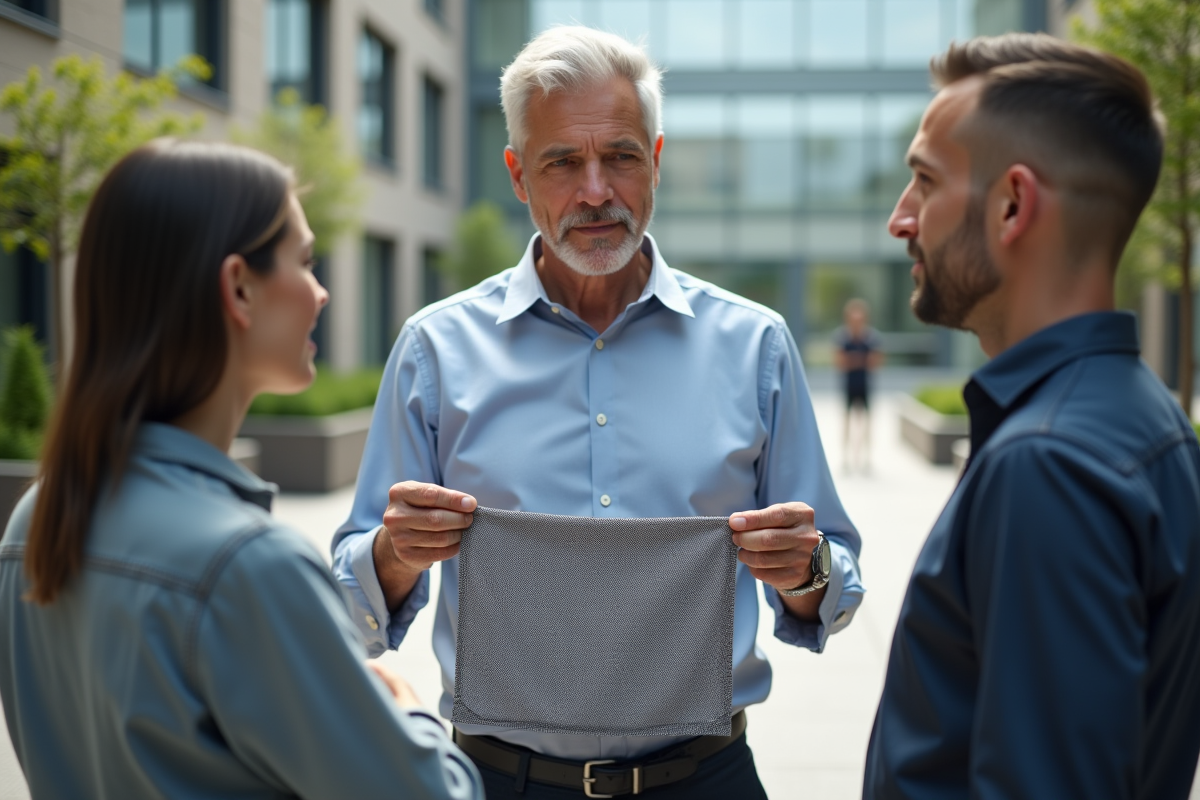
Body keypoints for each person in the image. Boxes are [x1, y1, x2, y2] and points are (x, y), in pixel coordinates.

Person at [332, 26, 864, 800]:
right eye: (561, 162)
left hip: (706, 781)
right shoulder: (434, 351)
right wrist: (394, 552)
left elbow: (839, 586)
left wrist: (803, 569)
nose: (594, 192)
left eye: (619, 156)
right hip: (496, 781)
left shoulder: (756, 349)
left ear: (656, 161)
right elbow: (350, 600)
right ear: (518, 175)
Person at [0, 140, 482, 800]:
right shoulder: (248, 565)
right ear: (238, 287)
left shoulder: (39, 518)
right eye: (305, 261)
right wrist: (404, 711)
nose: (322, 292)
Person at [863, 33, 1200, 799]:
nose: (899, 219)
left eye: (923, 180)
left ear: (1013, 204)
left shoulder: (1048, 464)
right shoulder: (1145, 423)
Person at [832, 298, 883, 472]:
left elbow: (875, 362)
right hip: (849, 385)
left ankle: (865, 459)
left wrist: (852, 360)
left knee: (866, 423)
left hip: (865, 385)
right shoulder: (842, 337)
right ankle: (846, 458)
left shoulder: (871, 338)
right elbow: (839, 362)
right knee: (847, 422)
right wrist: (860, 360)